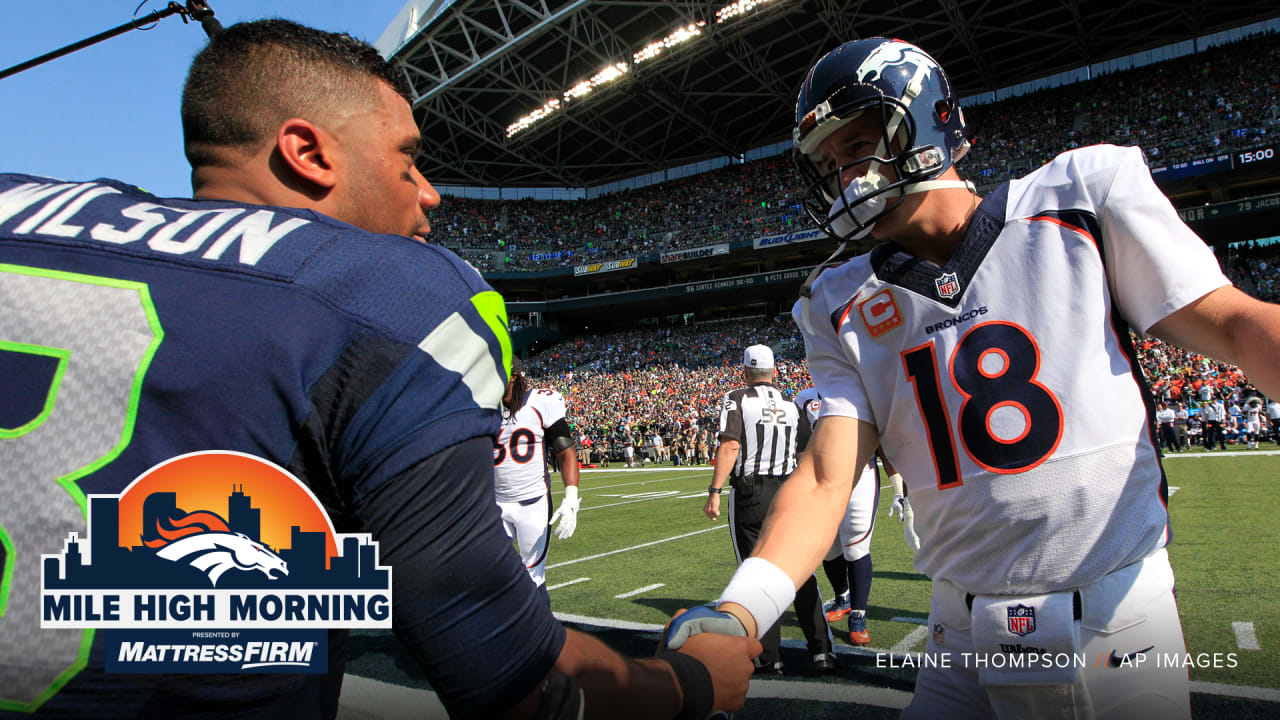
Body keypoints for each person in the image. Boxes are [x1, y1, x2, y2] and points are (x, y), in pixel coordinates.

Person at [0, 19, 758, 720]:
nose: (429, 192)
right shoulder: (392, 293)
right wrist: (691, 684)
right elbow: (511, 684)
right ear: (309, 152)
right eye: (407, 158)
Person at [666, 36, 1280, 720]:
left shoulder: (1079, 197)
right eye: (834, 165)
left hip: (1115, 623)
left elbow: (1234, 325)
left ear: (924, 123)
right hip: (960, 635)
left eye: (859, 145)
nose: (847, 179)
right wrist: (742, 611)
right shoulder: (834, 302)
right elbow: (824, 477)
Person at [702, 346, 836, 675]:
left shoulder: (736, 398)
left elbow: (731, 444)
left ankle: (769, 656)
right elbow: (806, 451)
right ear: (774, 371)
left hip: (752, 493)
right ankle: (821, 651)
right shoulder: (792, 404)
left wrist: (715, 490)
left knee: (755, 575)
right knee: (800, 573)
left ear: (745, 371)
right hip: (789, 492)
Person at [795, 386, 880, 646]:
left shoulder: (865, 390)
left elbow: (882, 437)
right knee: (828, 547)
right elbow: (800, 443)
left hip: (860, 474)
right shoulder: (805, 398)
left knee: (855, 546)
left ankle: (858, 615)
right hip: (822, 478)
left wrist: (900, 487)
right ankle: (842, 595)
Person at [493, 358, 581, 588]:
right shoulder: (483, 408)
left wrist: (571, 498)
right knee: (487, 574)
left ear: (513, 376)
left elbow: (564, 449)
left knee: (533, 578)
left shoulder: (539, 402)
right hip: (494, 503)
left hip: (533, 502)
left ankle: (536, 622)